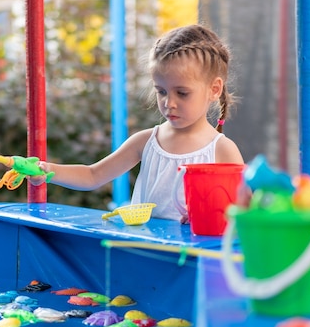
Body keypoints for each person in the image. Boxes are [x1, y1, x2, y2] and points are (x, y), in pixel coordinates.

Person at [28, 24, 244, 222]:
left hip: (192, 259)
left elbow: (244, 211)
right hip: (142, 253)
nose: (169, 102)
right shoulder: (146, 141)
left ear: (214, 89)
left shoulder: (222, 150)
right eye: (161, 91)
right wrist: (47, 171)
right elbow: (93, 175)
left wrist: (210, 216)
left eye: (182, 93)